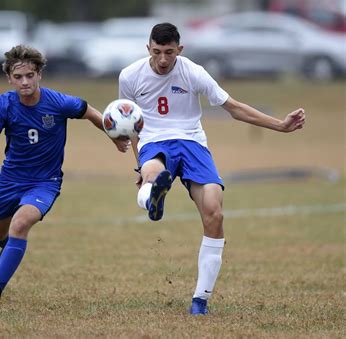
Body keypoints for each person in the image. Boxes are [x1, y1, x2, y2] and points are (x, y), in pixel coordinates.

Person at [119, 23, 306, 315]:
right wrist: (139, 165)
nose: (163, 59)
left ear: (180, 50)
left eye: (170, 52)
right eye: (157, 52)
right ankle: (151, 194)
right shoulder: (130, 76)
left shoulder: (193, 72)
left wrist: (279, 125)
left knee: (214, 211)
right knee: (153, 171)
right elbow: (130, 125)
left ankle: (200, 300)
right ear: (148, 49)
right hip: (154, 140)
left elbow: (234, 108)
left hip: (192, 142)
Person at [0, 45, 129, 303]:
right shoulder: (5, 104)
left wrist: (113, 136)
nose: (25, 82)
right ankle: (11, 251)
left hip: (45, 182)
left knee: (20, 225)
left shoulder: (58, 102)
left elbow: (90, 112)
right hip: (10, 180)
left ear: (39, 74)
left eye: (30, 75)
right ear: (9, 78)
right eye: (18, 77)